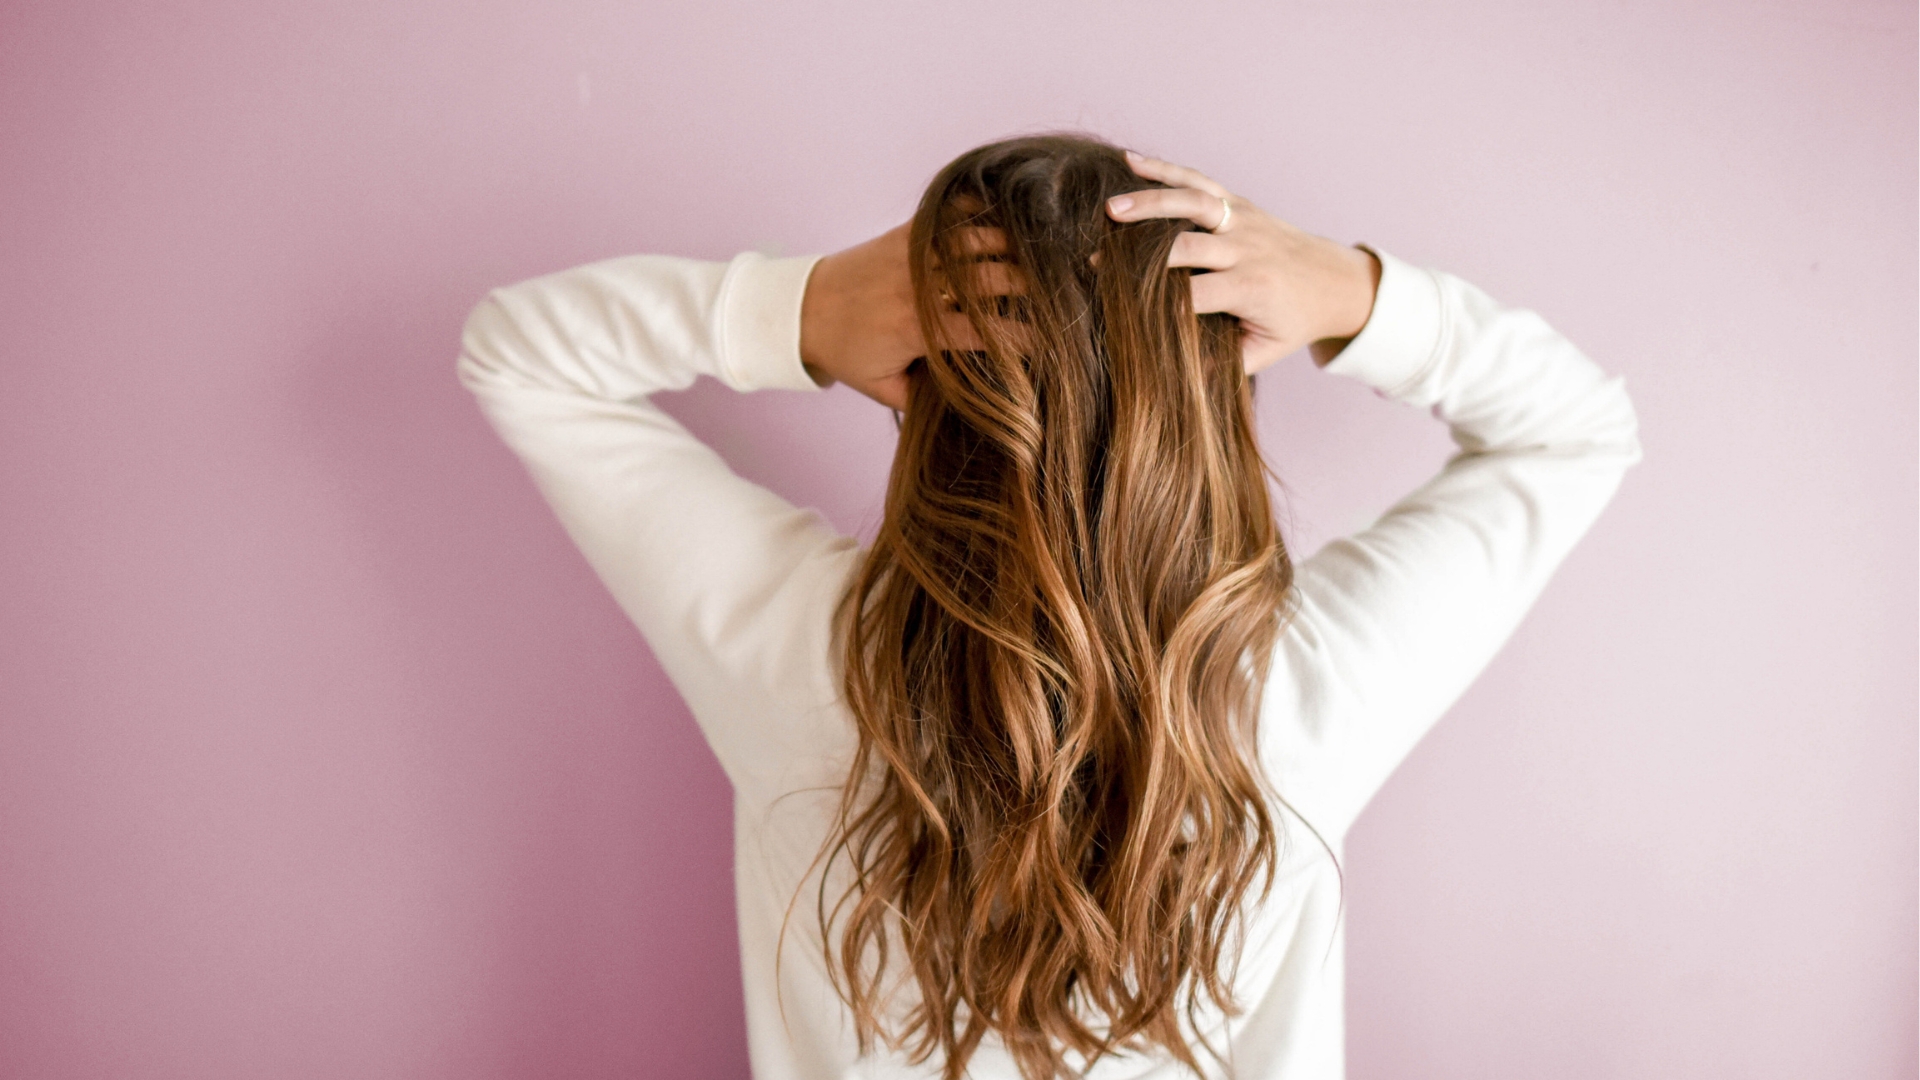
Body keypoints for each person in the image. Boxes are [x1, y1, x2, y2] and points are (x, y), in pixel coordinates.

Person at [456, 133, 1642, 1080]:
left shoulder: (807, 662)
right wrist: (1355, 293)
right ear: (1208, 401)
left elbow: (518, 354)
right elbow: (1577, 432)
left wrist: (801, 308)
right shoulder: (1297, 696)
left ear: (924, 385)